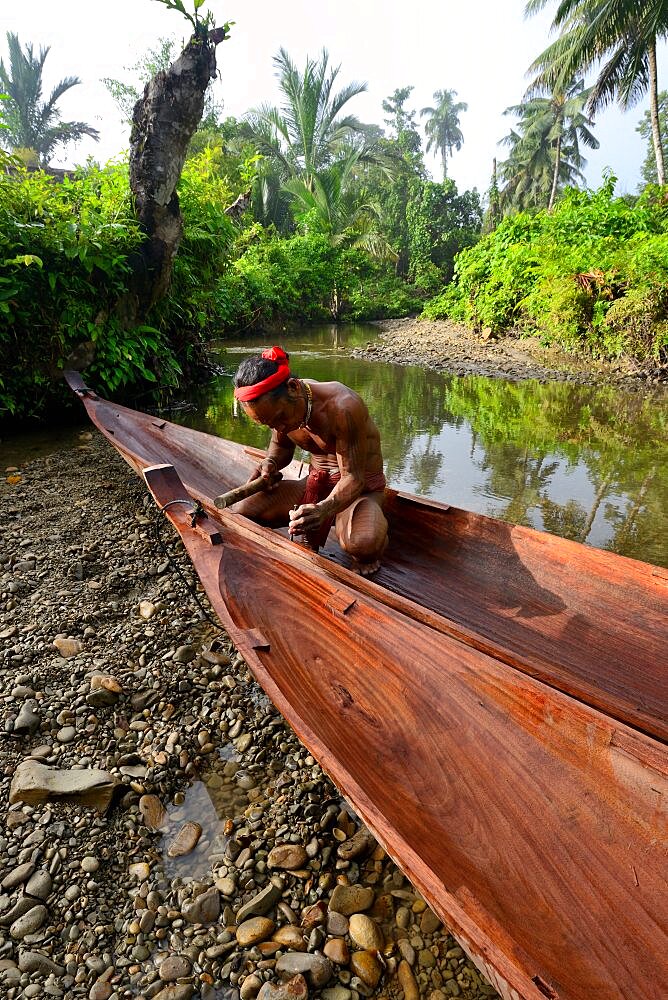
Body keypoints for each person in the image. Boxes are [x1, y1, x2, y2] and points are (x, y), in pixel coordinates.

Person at [232, 346, 388, 575]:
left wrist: (324, 509)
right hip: (316, 483)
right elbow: (280, 447)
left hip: (359, 491)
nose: (279, 428)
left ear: (294, 388)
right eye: (269, 425)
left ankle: (365, 522)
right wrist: (270, 464)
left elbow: (354, 478)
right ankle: (332, 520)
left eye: (279, 420)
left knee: (363, 545)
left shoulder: (343, 407)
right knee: (243, 510)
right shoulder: (281, 409)